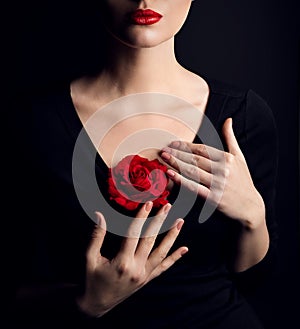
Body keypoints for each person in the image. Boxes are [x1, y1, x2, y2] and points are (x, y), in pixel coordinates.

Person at [16, 0, 278, 328]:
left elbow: (259, 282)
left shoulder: (242, 115)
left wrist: (254, 215)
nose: (143, 0)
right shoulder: (35, 124)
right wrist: (86, 304)